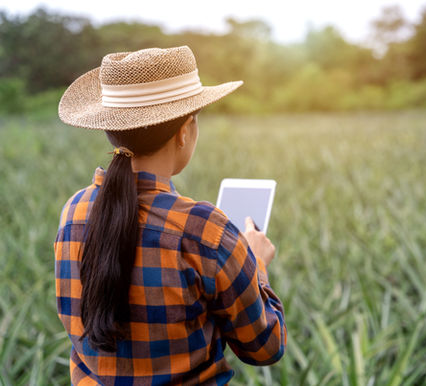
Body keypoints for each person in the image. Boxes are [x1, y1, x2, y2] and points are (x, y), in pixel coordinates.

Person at [54, 46, 287, 385]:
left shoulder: (74, 212)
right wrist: (257, 266)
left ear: (111, 129)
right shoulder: (204, 230)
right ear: (184, 131)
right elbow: (265, 348)